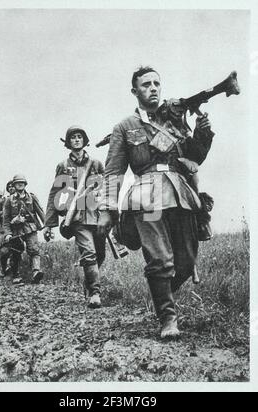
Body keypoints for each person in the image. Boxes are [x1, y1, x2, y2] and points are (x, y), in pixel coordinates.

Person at [98, 66, 214, 338]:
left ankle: (159, 292)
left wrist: (202, 134)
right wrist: (107, 208)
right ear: (134, 91)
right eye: (146, 84)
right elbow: (113, 170)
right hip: (146, 199)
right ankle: (168, 319)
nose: (152, 88)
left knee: (185, 261)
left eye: (156, 83)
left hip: (180, 196)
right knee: (160, 258)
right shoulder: (125, 127)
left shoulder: (174, 121)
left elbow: (194, 158)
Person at [43, 126, 105, 308]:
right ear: (68, 142)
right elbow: (55, 193)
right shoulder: (63, 166)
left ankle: (88, 283)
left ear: (84, 140)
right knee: (89, 252)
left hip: (96, 214)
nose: (76, 140)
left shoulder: (96, 163)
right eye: (73, 138)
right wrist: (49, 224)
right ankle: (95, 293)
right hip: (76, 216)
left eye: (79, 137)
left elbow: (107, 187)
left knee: (100, 255)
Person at [3, 174, 45, 285]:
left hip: (30, 228)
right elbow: (6, 220)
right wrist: (7, 233)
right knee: (16, 252)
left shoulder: (31, 197)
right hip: (16, 230)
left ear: (25, 184)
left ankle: (36, 272)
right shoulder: (8, 200)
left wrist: (47, 227)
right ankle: (16, 275)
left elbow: (41, 213)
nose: (20, 184)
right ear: (14, 185)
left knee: (34, 249)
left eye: (22, 182)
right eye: (17, 182)